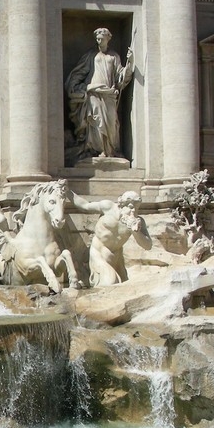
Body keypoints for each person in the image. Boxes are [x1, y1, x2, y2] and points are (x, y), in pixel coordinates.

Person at [65, 27, 134, 158]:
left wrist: (130, 63)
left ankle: (109, 150)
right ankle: (97, 150)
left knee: (111, 122)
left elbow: (121, 77)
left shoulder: (114, 56)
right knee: (95, 120)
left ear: (108, 39)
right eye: (97, 39)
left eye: (101, 39)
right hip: (94, 92)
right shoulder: (91, 55)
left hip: (109, 94)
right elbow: (79, 72)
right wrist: (77, 87)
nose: (99, 41)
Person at [71, 190, 152, 287]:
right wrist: (68, 192)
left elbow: (148, 245)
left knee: (123, 288)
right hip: (98, 253)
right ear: (122, 204)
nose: (134, 211)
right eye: (130, 207)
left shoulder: (138, 222)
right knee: (110, 283)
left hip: (116, 258)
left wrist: (136, 232)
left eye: (137, 208)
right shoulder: (108, 207)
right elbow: (85, 205)